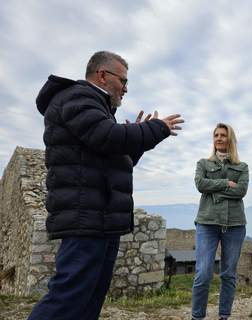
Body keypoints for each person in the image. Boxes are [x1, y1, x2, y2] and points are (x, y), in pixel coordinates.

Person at [29, 51, 184, 320]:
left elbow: (111, 160)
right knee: (68, 298)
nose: (125, 88)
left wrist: (135, 139)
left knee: (88, 300)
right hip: (85, 218)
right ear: (103, 75)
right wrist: (155, 129)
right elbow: (107, 137)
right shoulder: (78, 97)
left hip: (100, 219)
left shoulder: (98, 108)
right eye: (123, 81)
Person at [191, 123, 249, 320]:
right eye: (216, 135)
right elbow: (200, 184)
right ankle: (197, 317)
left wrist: (214, 191)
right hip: (207, 223)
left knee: (228, 275)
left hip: (235, 225)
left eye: (223, 135)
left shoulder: (242, 167)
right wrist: (225, 184)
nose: (219, 138)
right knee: (203, 273)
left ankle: (224, 316)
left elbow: (241, 190)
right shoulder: (203, 164)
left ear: (230, 139)